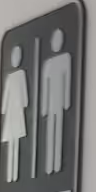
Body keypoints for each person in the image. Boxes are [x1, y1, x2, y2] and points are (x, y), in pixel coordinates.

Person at [40, 27, 73, 175]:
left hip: (59, 101)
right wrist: (44, 107)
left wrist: (67, 101)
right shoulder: (48, 64)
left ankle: (57, 164)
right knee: (50, 131)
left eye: (58, 40)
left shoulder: (66, 58)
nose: (56, 43)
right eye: (54, 40)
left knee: (58, 130)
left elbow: (67, 81)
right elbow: (45, 86)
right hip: (51, 102)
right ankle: (49, 166)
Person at [0, 43, 30, 182]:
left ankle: (15, 174)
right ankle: (9, 175)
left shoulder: (21, 74)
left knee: (16, 143)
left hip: (17, 113)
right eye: (13, 56)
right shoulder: (10, 78)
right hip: (11, 114)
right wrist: (4, 110)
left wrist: (24, 105)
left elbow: (24, 95)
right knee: (11, 142)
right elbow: (6, 96)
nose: (15, 59)